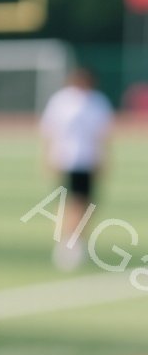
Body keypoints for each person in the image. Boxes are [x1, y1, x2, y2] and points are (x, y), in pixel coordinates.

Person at [38, 66, 114, 271]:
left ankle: (77, 240)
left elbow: (102, 135)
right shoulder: (62, 101)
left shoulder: (97, 101)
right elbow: (49, 130)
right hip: (67, 159)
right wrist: (48, 157)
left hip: (88, 159)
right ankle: (67, 243)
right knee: (72, 202)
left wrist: (104, 159)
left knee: (87, 204)